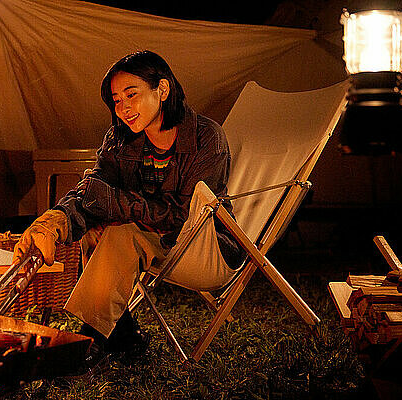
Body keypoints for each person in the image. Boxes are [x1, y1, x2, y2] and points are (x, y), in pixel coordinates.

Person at [13, 50, 245, 359]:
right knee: (98, 226)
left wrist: (112, 202)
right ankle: (121, 336)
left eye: (131, 95)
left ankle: (88, 341)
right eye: (116, 100)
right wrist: (57, 220)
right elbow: (95, 189)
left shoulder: (206, 138)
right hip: (152, 242)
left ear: (162, 90)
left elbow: (181, 217)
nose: (123, 108)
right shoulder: (121, 139)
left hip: (205, 248)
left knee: (121, 228)